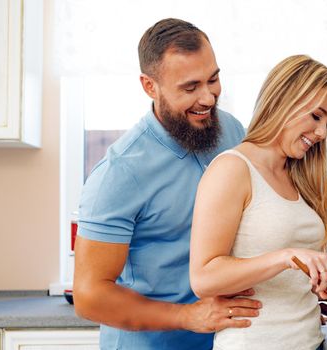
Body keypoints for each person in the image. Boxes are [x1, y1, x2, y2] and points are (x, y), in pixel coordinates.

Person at [73, 18, 262, 350]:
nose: (208, 98)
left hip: (224, 340)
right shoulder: (120, 173)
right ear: (150, 86)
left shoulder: (232, 132)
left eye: (214, 79)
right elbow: (89, 296)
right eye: (190, 88)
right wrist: (188, 316)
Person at [189, 55, 327, 350]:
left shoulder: (298, 175)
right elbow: (204, 278)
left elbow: (289, 277)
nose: (322, 133)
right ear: (284, 101)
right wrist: (287, 257)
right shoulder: (232, 169)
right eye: (316, 116)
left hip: (310, 342)